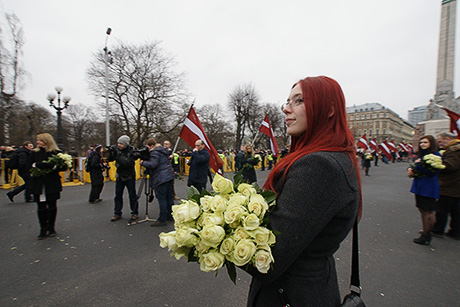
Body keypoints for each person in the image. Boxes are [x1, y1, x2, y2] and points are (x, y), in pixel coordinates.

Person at [246, 76, 361, 307]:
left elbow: (271, 258)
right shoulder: (333, 158)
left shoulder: (319, 166)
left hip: (291, 295)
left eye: (298, 101)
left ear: (328, 110)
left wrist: (215, 234)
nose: (286, 109)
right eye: (287, 101)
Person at [30, 133, 68, 239]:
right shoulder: (34, 153)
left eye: (40, 140)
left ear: (46, 141)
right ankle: (43, 228)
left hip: (51, 183)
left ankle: (51, 227)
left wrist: (51, 166)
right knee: (41, 207)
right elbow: (28, 165)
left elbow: (63, 166)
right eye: (37, 140)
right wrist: (40, 166)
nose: (37, 142)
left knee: (52, 206)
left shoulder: (56, 153)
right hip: (39, 184)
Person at [407, 135, 441, 245]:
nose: (422, 144)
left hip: (428, 186)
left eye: (425, 142)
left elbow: (433, 172)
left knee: (427, 211)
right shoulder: (424, 155)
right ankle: (426, 231)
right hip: (421, 185)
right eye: (421, 142)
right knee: (422, 209)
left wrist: (418, 166)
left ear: (431, 143)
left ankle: (426, 234)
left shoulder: (435, 155)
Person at [141, 138, 176, 227]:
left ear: (151, 146)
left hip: (161, 177)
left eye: (148, 147)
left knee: (162, 198)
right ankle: (170, 215)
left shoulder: (155, 152)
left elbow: (153, 164)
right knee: (169, 197)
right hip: (168, 176)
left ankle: (162, 219)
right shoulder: (163, 151)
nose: (147, 150)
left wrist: (143, 162)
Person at [432, 132, 460, 240]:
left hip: (449, 185)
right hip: (455, 185)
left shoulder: (454, 150)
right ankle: (455, 232)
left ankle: (438, 230)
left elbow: (450, 166)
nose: (439, 144)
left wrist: (436, 164)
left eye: (440, 141)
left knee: (442, 210)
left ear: (447, 138)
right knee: (455, 210)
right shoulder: (455, 148)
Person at [107, 135, 140, 222]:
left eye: (121, 144)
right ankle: (117, 213)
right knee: (118, 195)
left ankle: (135, 212)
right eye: (118, 143)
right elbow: (110, 159)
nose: (119, 145)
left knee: (132, 195)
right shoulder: (117, 151)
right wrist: (111, 152)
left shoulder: (131, 151)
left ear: (126, 144)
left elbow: (126, 162)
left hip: (129, 175)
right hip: (120, 175)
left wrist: (117, 155)